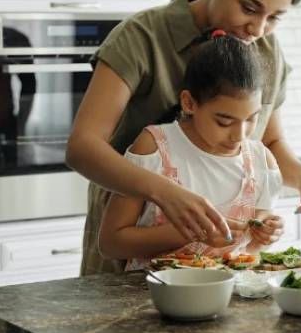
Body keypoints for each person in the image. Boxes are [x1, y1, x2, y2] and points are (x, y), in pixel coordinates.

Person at [66, 0, 301, 275]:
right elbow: (82, 147)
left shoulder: (265, 49)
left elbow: (269, 141)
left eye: (274, 18)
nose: (258, 28)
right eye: (249, 8)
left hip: (222, 266)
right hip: (131, 253)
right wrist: (166, 193)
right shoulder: (142, 37)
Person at [99, 33, 284, 270]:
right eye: (224, 121)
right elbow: (111, 243)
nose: (240, 135)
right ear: (189, 103)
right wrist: (190, 233)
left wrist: (267, 233)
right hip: (151, 296)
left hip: (230, 296)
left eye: (251, 119)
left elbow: (251, 250)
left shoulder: (261, 160)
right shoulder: (155, 147)